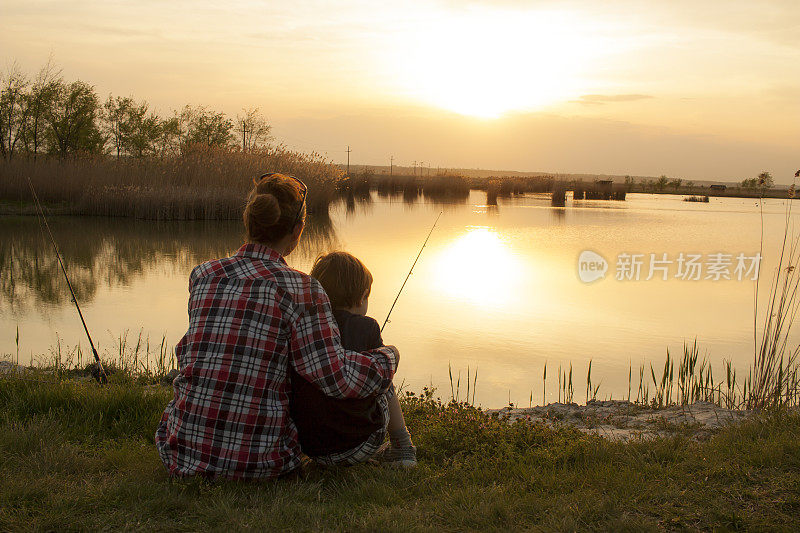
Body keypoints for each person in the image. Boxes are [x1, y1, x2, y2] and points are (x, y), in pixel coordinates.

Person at [155, 173, 399, 480]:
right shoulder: (302, 289)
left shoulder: (203, 275)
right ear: (297, 231)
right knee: (372, 377)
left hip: (181, 454)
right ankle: (402, 447)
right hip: (262, 464)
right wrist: (388, 356)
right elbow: (336, 379)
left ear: (250, 221)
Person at [291, 252, 416, 467]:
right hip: (362, 443)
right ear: (362, 295)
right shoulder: (367, 327)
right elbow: (380, 378)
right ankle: (403, 448)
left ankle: (328, 457)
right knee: (383, 372)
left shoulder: (306, 327)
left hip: (310, 446)